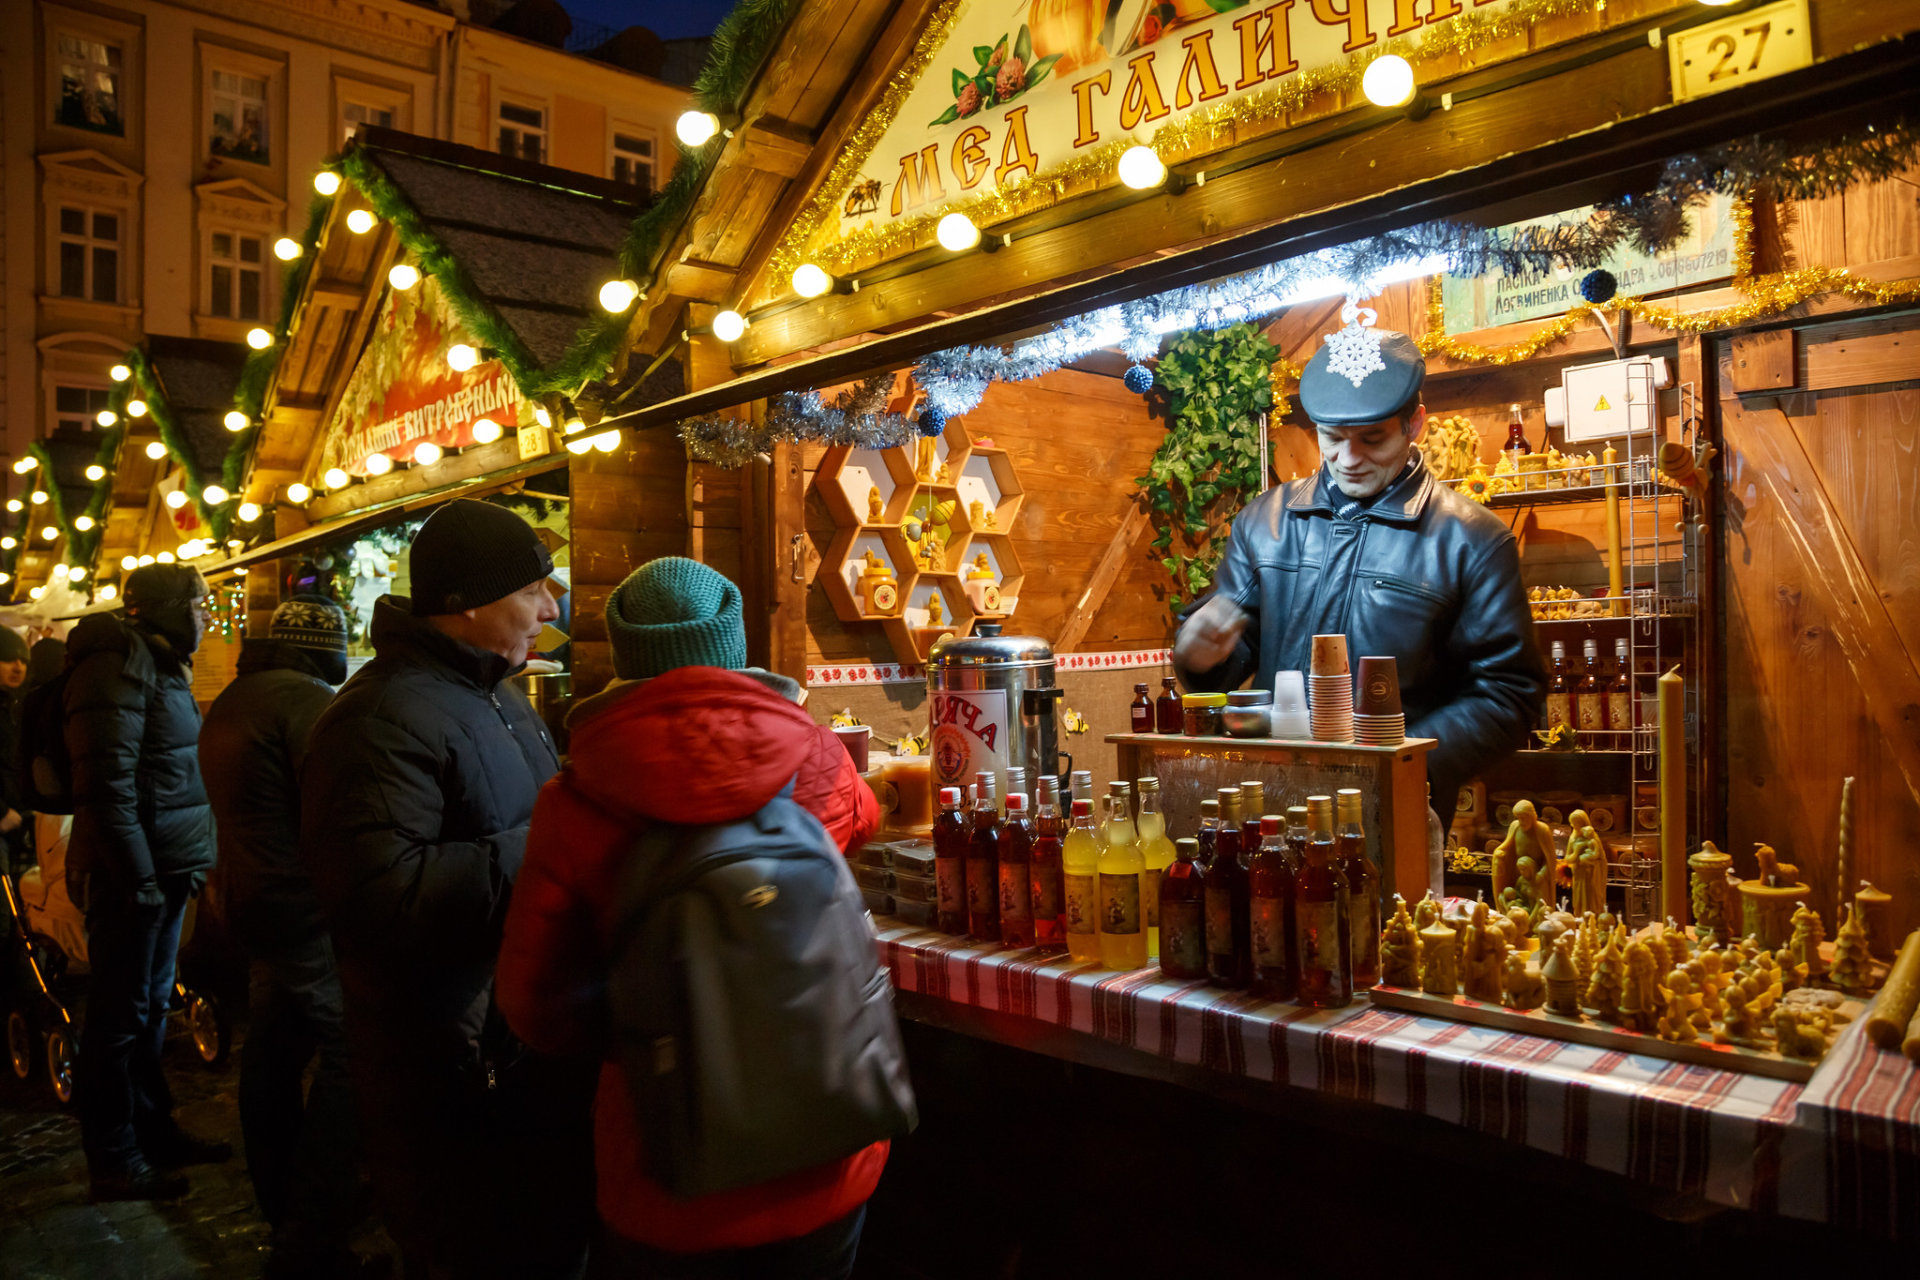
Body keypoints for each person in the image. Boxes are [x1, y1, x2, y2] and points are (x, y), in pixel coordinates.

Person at [497, 556, 885, 1280]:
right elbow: (862, 819)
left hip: (666, 1160)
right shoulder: (815, 752)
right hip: (827, 1145)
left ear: (624, 657)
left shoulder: (574, 795)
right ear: (732, 648)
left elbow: (534, 1005)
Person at [300, 499, 590, 1280]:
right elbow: (379, 901)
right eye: (534, 589)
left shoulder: (498, 696)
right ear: (468, 600)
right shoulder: (377, 717)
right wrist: (552, 845)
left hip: (513, 1050)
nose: (551, 608)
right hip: (442, 1074)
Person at [1173, 318, 1545, 811]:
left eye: (1372, 439)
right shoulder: (1263, 522)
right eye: (1332, 437)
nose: (1349, 459)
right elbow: (1234, 660)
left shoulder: (1471, 540)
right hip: (1268, 799)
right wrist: (1201, 660)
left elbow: (1509, 695)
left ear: (1415, 424)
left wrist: (1395, 765)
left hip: (1399, 805)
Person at [200, 596, 367, 1279]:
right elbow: (338, 800)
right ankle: (314, 1237)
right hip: (302, 904)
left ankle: (279, 1203)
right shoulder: (306, 704)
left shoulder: (236, 697)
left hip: (250, 899)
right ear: (330, 648)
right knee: (351, 1050)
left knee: (271, 1051)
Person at [66, 563, 229, 1201]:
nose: (204, 616)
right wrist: (136, 878)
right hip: (133, 875)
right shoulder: (115, 664)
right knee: (118, 1017)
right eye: (198, 603)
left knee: (151, 1011)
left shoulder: (156, 662)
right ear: (164, 606)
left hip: (165, 868)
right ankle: (112, 1158)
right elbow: (106, 786)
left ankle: (153, 1132)